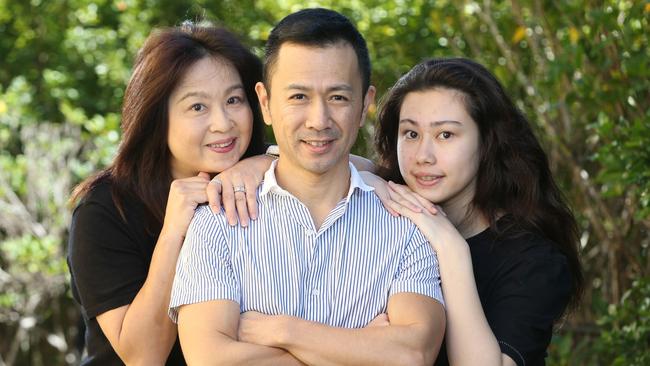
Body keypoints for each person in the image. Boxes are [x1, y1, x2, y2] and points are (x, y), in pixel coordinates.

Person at [169, 8, 446, 365]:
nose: (318, 120)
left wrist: (283, 332)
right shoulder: (218, 222)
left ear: (365, 106)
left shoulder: (408, 225)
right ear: (266, 103)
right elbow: (211, 359)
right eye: (298, 97)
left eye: (338, 98)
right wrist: (362, 350)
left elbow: (412, 356)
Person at [67, 22, 269, 365]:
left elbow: (348, 166)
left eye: (234, 100)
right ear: (157, 118)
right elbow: (143, 357)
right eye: (197, 107)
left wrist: (264, 162)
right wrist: (174, 231)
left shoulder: (265, 181)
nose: (223, 123)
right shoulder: (103, 210)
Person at [373, 57, 584, 366]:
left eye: (446, 134)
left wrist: (451, 249)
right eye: (411, 134)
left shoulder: (534, 261)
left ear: (487, 141)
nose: (423, 156)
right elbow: (330, 167)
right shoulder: (384, 210)